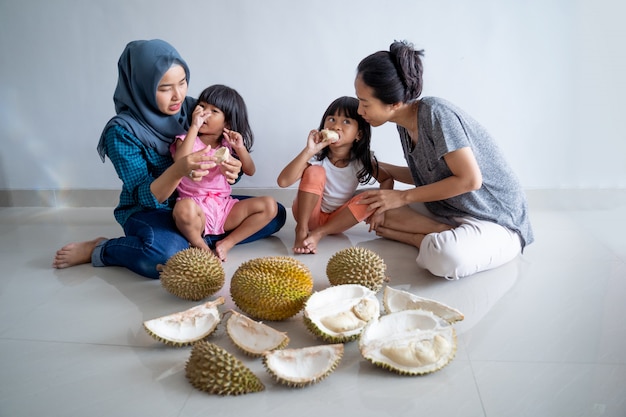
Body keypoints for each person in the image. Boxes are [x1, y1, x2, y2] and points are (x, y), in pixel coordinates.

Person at [53, 39, 285, 279]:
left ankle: (198, 238)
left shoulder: (194, 109)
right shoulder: (122, 131)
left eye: (183, 83)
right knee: (161, 255)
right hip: (154, 208)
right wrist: (179, 170)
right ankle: (103, 248)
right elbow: (144, 195)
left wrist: (233, 167)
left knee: (276, 214)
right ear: (141, 86)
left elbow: (218, 172)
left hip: (205, 205)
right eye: (164, 88)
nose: (178, 96)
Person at [354, 40, 534, 279]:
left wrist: (401, 197)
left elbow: (470, 180)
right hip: (447, 209)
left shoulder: (436, 113)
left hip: (496, 220)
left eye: (365, 103)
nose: (359, 110)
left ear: (394, 104)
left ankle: (422, 239)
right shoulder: (403, 124)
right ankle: (441, 232)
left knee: (445, 257)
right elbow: (429, 176)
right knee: (365, 203)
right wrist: (372, 165)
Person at [170, 84, 277, 261]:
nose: (204, 113)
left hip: (224, 207)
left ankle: (227, 243)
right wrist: (193, 128)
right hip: (196, 209)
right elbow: (180, 161)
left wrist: (240, 148)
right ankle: (201, 246)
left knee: (270, 206)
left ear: (227, 122)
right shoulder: (186, 139)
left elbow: (250, 170)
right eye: (202, 106)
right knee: (183, 209)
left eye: (214, 111)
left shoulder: (227, 146)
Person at [277, 96, 393, 254]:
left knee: (369, 196)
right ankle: (302, 230)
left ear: (358, 134)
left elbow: (387, 179)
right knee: (315, 172)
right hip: (309, 215)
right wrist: (309, 150)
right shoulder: (317, 158)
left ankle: (319, 233)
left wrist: (380, 211)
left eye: (346, 122)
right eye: (331, 119)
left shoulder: (361, 162)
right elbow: (283, 182)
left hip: (336, 222)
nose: (336, 126)